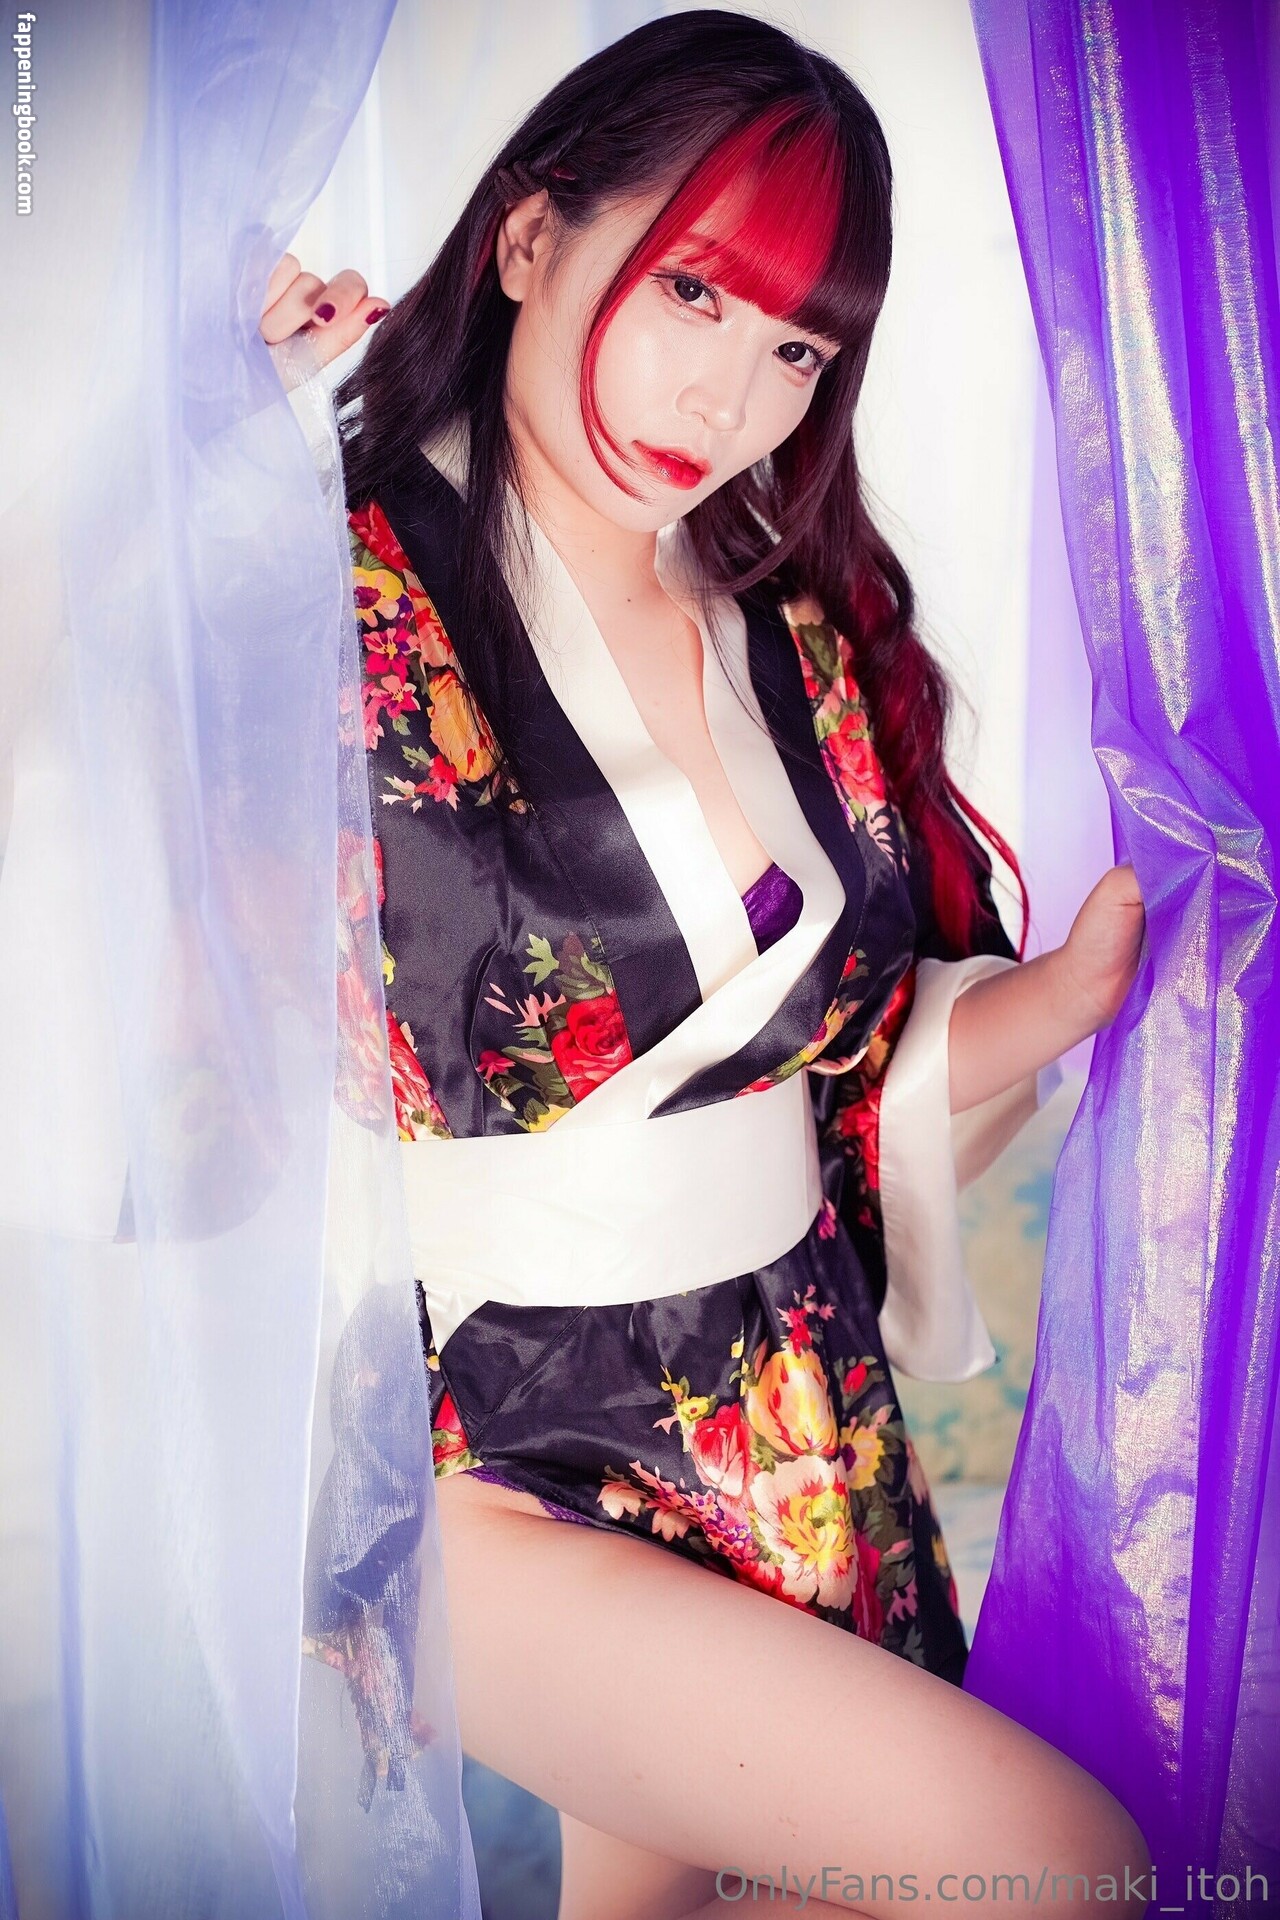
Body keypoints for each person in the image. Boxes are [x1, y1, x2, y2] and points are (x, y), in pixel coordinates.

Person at [261, 14, 1151, 1918]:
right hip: (492, 1434)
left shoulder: (783, 626)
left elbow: (826, 1055)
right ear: (527, 240)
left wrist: (1075, 990)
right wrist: (192, 467)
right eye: (693, 291)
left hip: (787, 1396)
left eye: (796, 348)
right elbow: (79, 799)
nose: (731, 397)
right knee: (1058, 1870)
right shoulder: (326, 591)